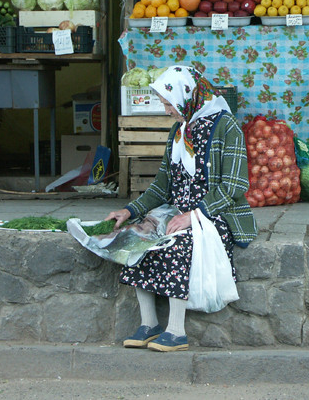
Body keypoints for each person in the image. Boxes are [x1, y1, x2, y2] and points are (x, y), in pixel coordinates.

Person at [106, 65, 256, 352]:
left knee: (179, 244)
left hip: (215, 215)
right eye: (164, 104)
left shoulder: (226, 126)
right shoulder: (180, 131)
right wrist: (129, 211)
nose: (166, 112)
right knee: (136, 238)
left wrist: (194, 215)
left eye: (168, 104)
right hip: (180, 213)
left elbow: (235, 185)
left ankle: (176, 331)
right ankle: (148, 324)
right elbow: (162, 187)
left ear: (187, 97)